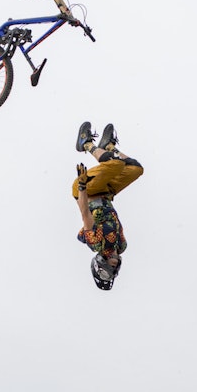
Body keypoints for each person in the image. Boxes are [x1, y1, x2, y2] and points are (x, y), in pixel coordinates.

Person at [72, 122, 143, 290]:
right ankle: (109, 146)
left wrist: (82, 186)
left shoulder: (97, 243)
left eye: (105, 272)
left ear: (99, 265)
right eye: (114, 271)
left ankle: (86, 144)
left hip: (87, 191)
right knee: (135, 169)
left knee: (115, 165)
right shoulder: (122, 245)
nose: (113, 267)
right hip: (106, 192)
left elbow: (85, 214)